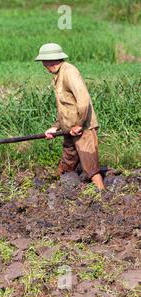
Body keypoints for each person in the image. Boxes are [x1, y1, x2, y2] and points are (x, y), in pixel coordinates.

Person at [35, 43, 105, 190]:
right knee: (68, 163)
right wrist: (55, 127)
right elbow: (65, 108)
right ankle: (59, 188)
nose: (43, 66)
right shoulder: (58, 75)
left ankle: (103, 194)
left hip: (83, 128)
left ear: (50, 62)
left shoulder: (69, 72)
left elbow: (83, 100)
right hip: (69, 129)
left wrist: (79, 124)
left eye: (43, 63)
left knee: (90, 166)